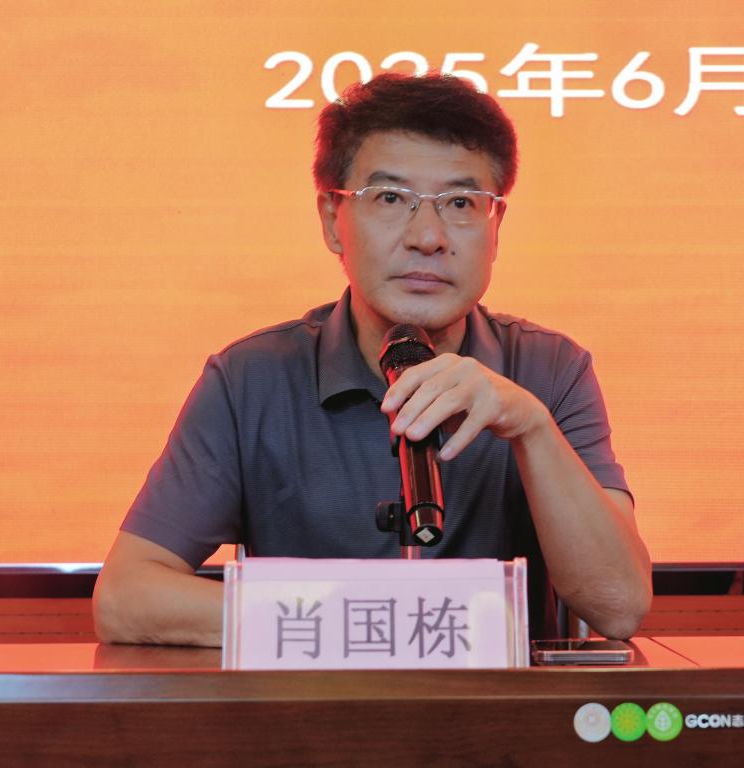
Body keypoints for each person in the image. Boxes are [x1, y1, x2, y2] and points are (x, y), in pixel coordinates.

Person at [93, 73, 651, 646]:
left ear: (496, 227)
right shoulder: (250, 380)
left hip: (495, 707)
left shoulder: (550, 371)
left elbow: (618, 607)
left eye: (461, 203)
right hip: (312, 704)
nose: (428, 237)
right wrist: (371, 621)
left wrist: (531, 428)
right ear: (332, 219)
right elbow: (126, 597)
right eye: (390, 199)